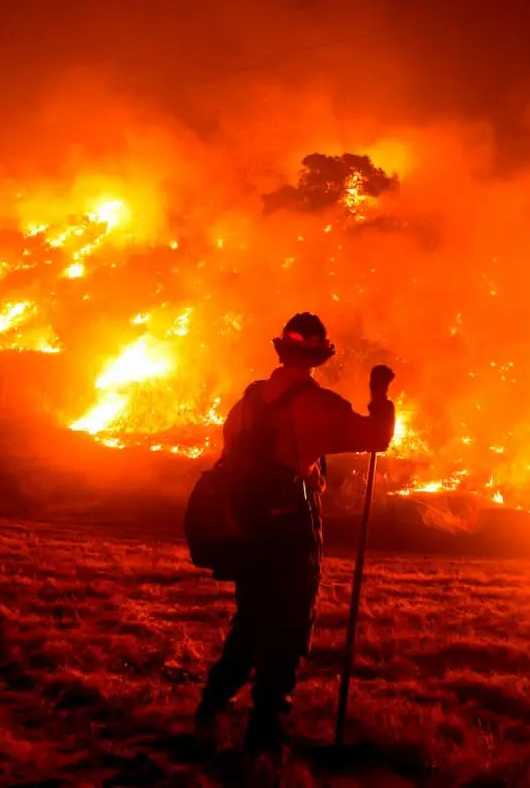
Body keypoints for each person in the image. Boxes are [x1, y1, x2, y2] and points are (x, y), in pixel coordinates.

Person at [195, 312, 396, 764]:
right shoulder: (317, 405)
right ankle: (265, 735)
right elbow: (375, 437)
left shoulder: (247, 401)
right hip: (289, 531)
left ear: (282, 353)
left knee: (250, 620)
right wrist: (380, 396)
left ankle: (212, 704)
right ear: (317, 356)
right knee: (287, 629)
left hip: (247, 528)